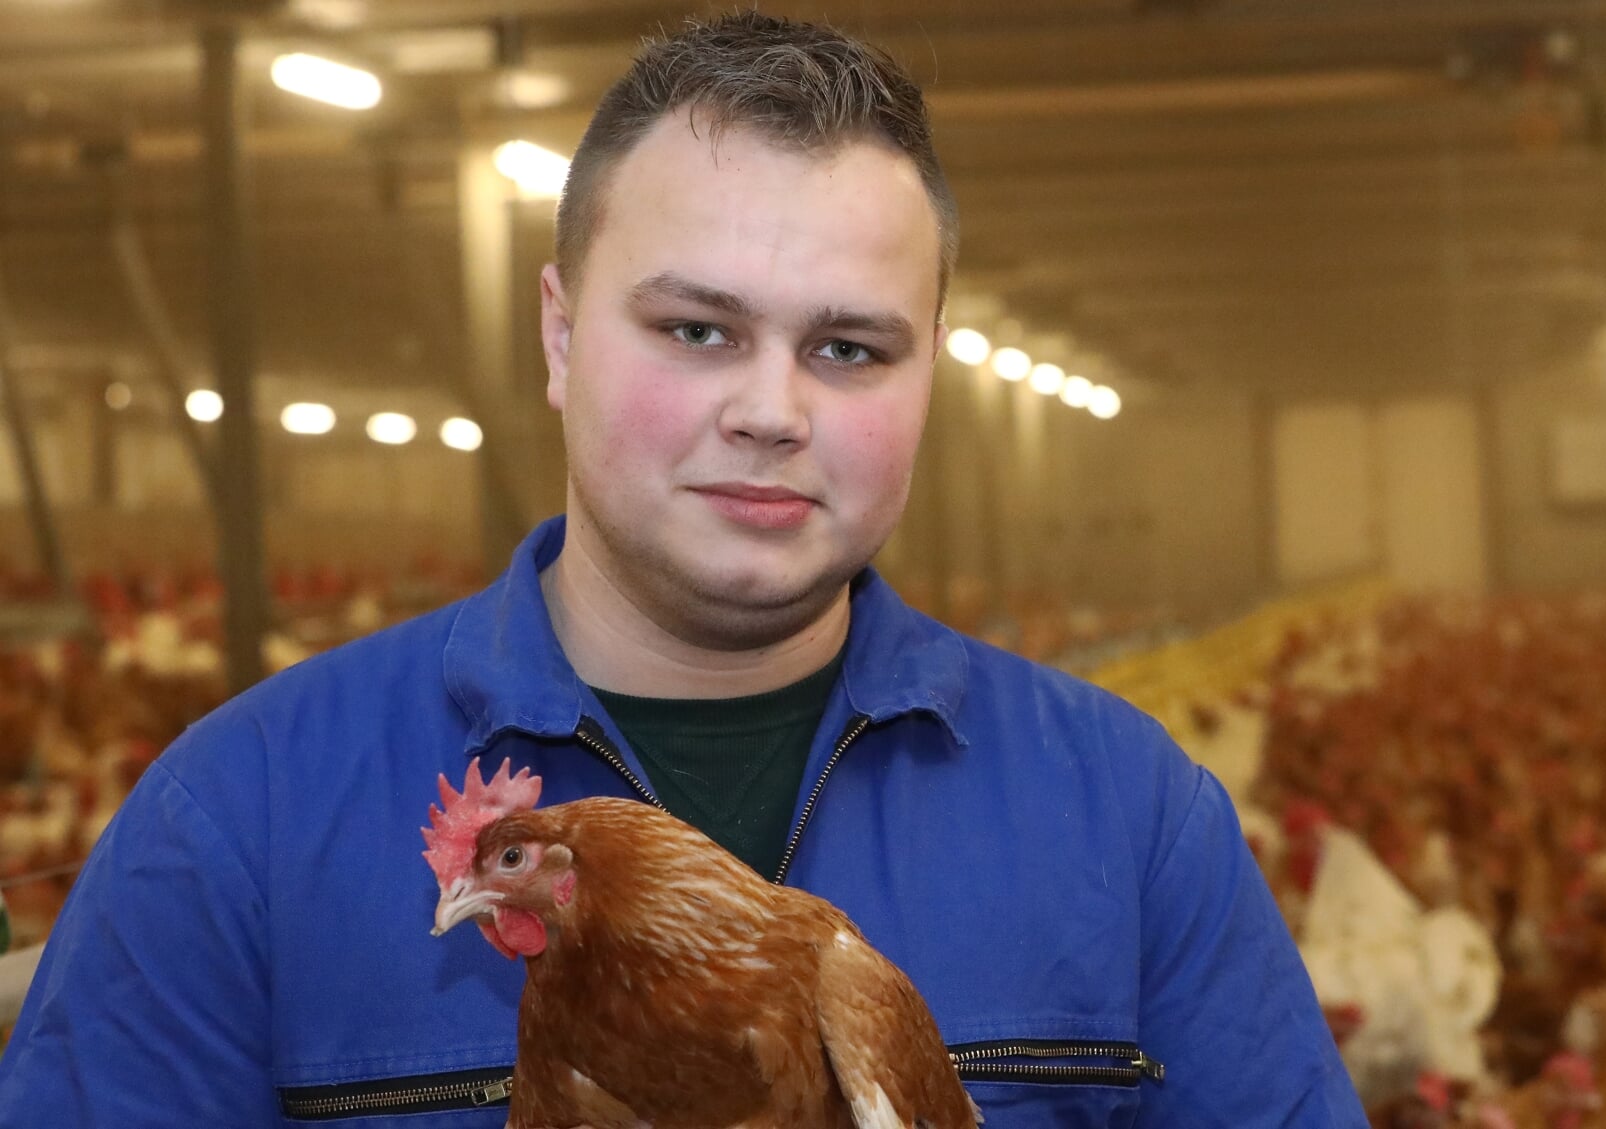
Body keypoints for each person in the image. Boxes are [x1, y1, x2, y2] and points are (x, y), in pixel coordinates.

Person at [0, 13, 1363, 1127]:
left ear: (925, 375)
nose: (772, 409)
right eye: (700, 329)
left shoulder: (1129, 824)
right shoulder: (235, 828)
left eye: (849, 349)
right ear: (559, 335)